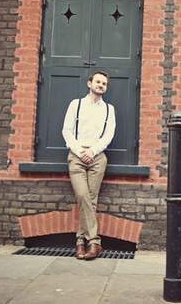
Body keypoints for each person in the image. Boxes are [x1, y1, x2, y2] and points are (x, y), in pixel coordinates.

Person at [62, 71, 116, 260]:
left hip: (97, 157)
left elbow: (108, 135)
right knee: (83, 196)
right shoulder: (75, 105)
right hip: (76, 156)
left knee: (90, 200)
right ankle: (94, 241)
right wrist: (80, 151)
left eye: (104, 84)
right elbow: (67, 131)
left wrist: (93, 151)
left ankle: (80, 242)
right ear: (89, 83)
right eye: (98, 82)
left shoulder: (109, 109)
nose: (101, 85)